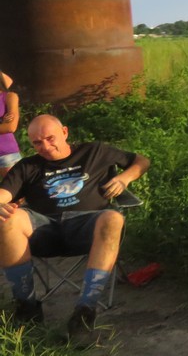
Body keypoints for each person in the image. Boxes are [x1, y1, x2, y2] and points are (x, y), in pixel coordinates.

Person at [0, 114, 150, 344]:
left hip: (87, 226)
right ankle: (26, 309)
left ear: (65, 132)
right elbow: (4, 194)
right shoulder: (28, 166)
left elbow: (141, 160)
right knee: (7, 219)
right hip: (43, 229)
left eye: (50, 138)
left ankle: (84, 314)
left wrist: (125, 178)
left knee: (113, 218)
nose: (45, 147)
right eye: (37, 143)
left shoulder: (94, 152)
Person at [0, 71, 21, 176]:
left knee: (18, 186)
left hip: (6, 154)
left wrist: (5, 125)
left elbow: (10, 127)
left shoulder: (9, 96)